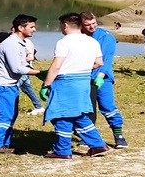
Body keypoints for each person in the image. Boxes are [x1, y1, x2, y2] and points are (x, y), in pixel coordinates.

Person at [41, 13, 109, 159]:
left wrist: (46, 84)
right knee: (79, 114)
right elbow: (99, 63)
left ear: (65, 25)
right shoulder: (92, 42)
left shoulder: (64, 42)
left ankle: (63, 150)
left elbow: (56, 66)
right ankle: (98, 145)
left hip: (66, 82)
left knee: (61, 115)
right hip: (83, 80)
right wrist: (82, 67)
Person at [0, 15, 45, 154]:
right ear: (20, 27)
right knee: (4, 115)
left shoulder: (20, 42)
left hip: (9, 84)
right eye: (31, 27)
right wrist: (39, 72)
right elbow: (17, 69)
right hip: (0, 85)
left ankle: (5, 143)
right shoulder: (11, 44)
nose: (34, 30)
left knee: (12, 115)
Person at [80, 12, 128, 149]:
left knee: (107, 107)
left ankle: (119, 136)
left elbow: (107, 60)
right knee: (86, 109)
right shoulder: (78, 37)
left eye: (93, 23)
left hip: (102, 79)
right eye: (87, 25)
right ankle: (88, 136)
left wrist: (100, 76)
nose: (91, 27)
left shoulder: (106, 37)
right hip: (83, 78)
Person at [17, 17, 45, 116]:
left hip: (24, 71)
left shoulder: (26, 42)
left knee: (13, 89)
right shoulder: (16, 41)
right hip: (25, 71)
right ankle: (39, 107)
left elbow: (30, 57)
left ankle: (10, 110)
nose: (34, 30)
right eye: (32, 27)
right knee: (27, 89)